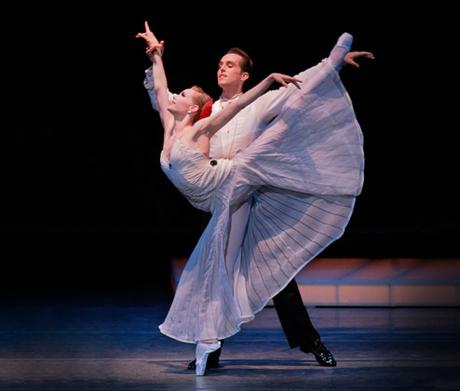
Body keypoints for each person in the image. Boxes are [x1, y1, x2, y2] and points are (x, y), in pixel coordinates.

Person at [137, 22, 371, 375]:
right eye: (219, 63)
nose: (221, 68)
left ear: (245, 76)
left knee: (278, 277)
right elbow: (167, 105)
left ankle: (311, 343)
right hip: (219, 195)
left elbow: (300, 90)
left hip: (251, 195)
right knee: (218, 269)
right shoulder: (207, 111)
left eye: (229, 65)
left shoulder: (257, 105)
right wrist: (156, 58)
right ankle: (210, 348)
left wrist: (332, 64)